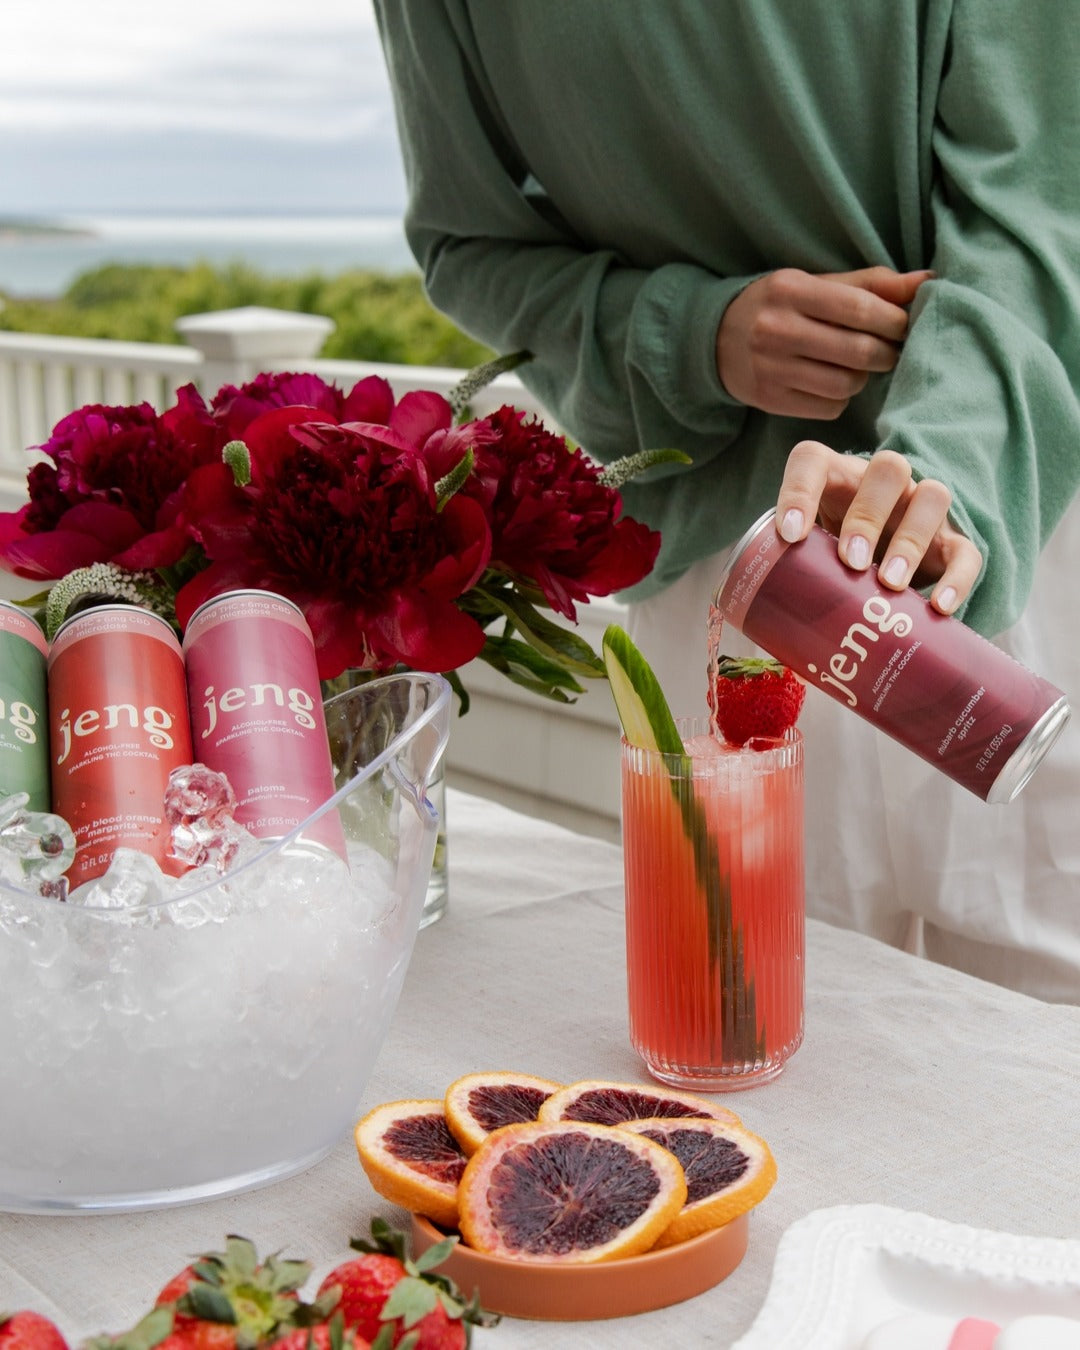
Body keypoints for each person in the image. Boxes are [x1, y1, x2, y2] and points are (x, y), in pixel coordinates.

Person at [373, 2, 1080, 1000]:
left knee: (1050, 1030)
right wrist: (691, 334)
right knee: (740, 1017)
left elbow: (1045, 194)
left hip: (1016, 521)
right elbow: (466, 241)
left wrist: (951, 461)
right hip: (728, 566)